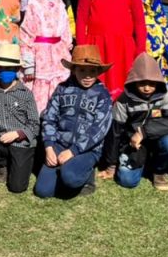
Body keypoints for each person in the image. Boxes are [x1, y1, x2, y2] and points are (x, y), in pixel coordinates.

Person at [34, 45, 113, 199]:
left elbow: (99, 129)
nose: (88, 76)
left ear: (98, 72)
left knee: (70, 178)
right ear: (74, 69)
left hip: (87, 149)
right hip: (59, 144)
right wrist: (49, 146)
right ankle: (65, 170)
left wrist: (73, 151)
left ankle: (87, 175)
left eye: (92, 71)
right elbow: (49, 117)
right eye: (82, 70)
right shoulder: (62, 89)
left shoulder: (102, 95)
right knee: (43, 191)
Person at [75, 0, 147, 99]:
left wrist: (140, 52)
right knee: (96, 88)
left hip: (124, 48)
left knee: (124, 88)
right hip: (96, 48)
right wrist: (82, 51)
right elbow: (81, 21)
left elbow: (140, 23)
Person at [101, 54, 168, 191]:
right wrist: (111, 164)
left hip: (159, 140)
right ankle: (142, 164)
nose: (147, 88)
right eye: (142, 83)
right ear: (134, 81)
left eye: (152, 83)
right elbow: (115, 133)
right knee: (127, 181)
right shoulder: (123, 100)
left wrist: (143, 132)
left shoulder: (167, 94)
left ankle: (159, 172)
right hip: (133, 145)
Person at [0, 43, 40, 193]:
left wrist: (18, 134)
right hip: (0, 138)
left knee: (17, 187)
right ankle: (2, 164)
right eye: (1, 67)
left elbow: (35, 124)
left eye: (9, 68)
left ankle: (21, 163)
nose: (5, 71)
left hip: (21, 141)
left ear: (17, 70)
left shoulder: (26, 94)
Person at [19, 0, 72, 113]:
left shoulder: (59, 2)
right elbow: (25, 33)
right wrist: (28, 63)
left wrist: (66, 50)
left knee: (58, 92)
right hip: (38, 55)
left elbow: (65, 30)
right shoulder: (31, 1)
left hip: (58, 55)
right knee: (38, 95)